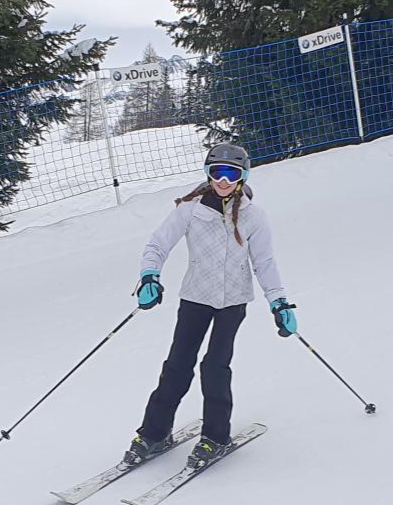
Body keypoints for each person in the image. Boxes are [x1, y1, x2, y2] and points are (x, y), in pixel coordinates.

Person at [124, 142, 297, 470]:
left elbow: (265, 263)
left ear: (243, 176)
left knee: (215, 367)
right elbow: (158, 243)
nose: (223, 180)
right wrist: (149, 276)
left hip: (233, 302)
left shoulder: (254, 217)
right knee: (177, 365)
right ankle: (154, 433)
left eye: (231, 173)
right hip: (195, 297)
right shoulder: (190, 210)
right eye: (216, 172)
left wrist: (280, 303)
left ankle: (216, 437)